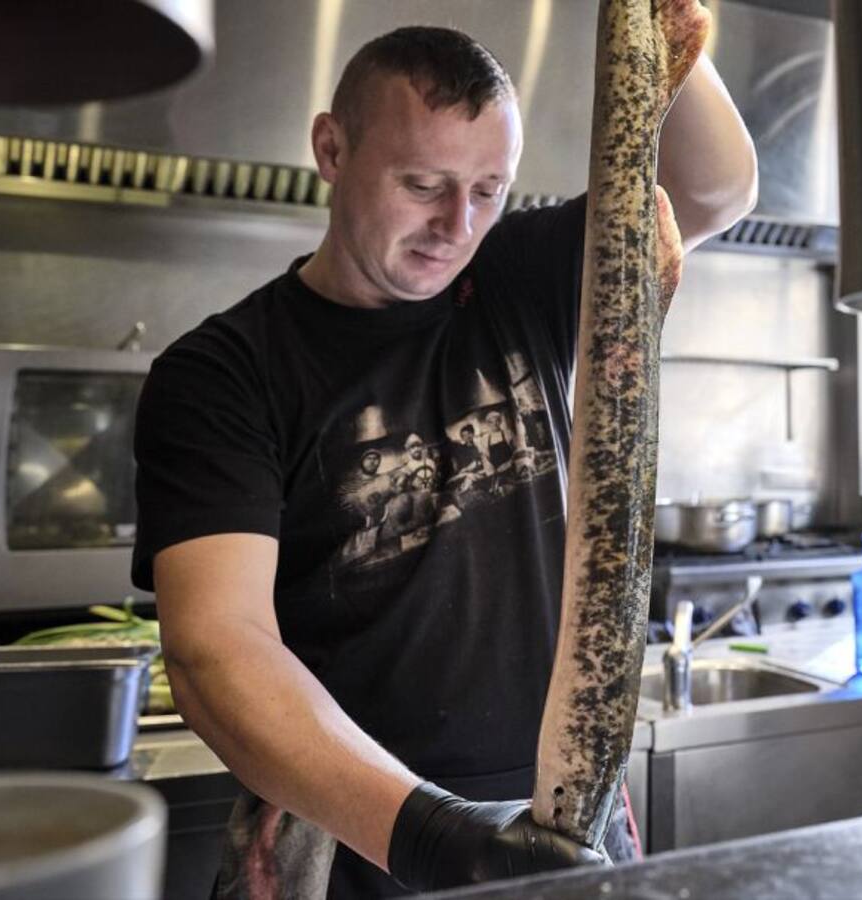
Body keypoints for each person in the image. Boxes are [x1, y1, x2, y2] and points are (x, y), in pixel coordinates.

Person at [132, 14, 756, 899]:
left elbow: (714, 190)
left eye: (488, 189)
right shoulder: (227, 371)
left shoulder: (521, 279)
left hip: (565, 815)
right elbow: (215, 647)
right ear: (332, 149)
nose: (455, 225)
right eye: (422, 185)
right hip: (350, 827)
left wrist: (653, 17)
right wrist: (434, 838)